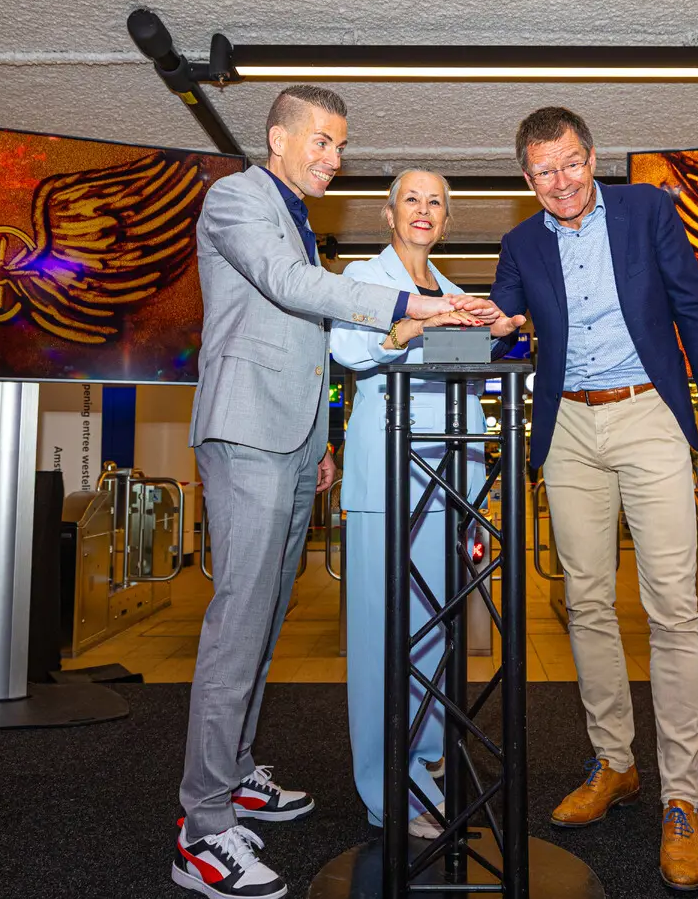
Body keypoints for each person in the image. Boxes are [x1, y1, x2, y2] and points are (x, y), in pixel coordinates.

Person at [172, 85, 463, 899]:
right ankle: (202, 828)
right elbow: (291, 289)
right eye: (325, 142)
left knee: (266, 615)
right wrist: (413, 305)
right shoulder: (237, 198)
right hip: (248, 427)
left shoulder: (298, 215)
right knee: (238, 620)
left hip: (295, 436)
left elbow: (302, 342)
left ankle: (232, 772)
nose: (335, 158)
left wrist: (324, 438)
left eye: (340, 146)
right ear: (278, 136)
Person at [483, 106, 698, 892]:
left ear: (590, 158)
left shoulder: (648, 209)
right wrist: (505, 325)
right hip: (568, 430)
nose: (558, 182)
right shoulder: (521, 243)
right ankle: (616, 764)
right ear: (526, 178)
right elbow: (503, 333)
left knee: (672, 605)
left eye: (569, 163)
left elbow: (694, 310)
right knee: (587, 602)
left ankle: (681, 798)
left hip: (648, 416)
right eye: (541, 172)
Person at [329, 169, 486, 840]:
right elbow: (346, 349)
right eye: (412, 200)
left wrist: (475, 495)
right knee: (380, 641)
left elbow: (469, 395)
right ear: (388, 213)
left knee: (434, 639)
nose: (424, 211)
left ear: (446, 219)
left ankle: (424, 762)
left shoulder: (453, 293)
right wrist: (395, 335)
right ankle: (387, 790)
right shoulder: (362, 279)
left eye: (436, 203)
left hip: (445, 487)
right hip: (387, 484)